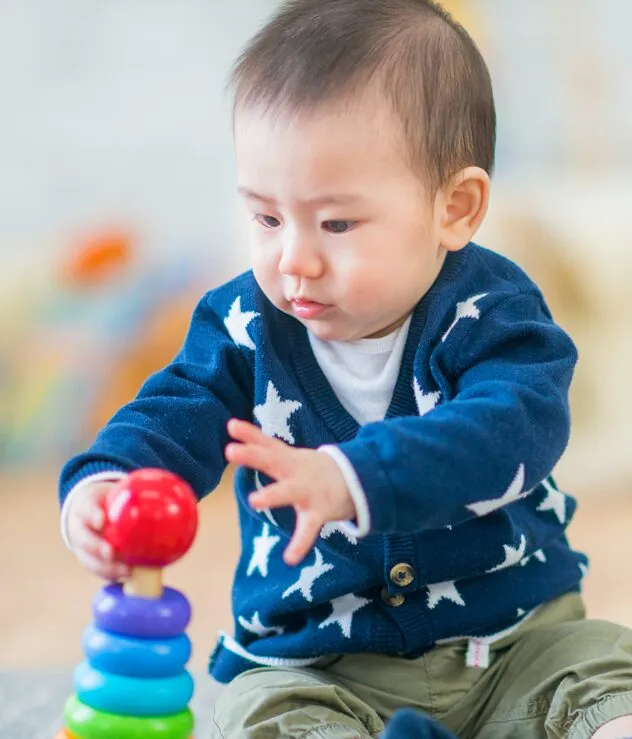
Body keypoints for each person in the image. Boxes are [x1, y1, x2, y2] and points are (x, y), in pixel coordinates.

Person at [58, 1, 632, 737]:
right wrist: (107, 486)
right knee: (260, 714)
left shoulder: (497, 313)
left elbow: (511, 430)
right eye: (266, 218)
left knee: (604, 679)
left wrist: (356, 477)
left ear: (455, 208)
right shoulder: (242, 325)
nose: (293, 258)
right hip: (317, 666)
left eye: (336, 223)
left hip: (514, 643)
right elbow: (171, 413)